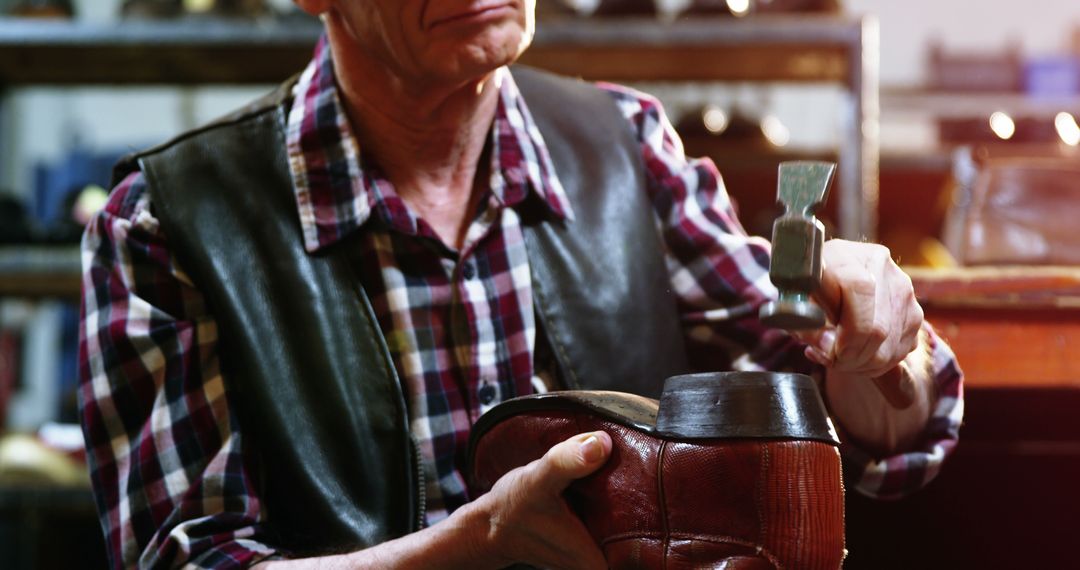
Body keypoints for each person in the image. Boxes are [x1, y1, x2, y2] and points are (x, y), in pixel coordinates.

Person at [78, 1, 964, 568]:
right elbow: (186, 562)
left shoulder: (625, 146)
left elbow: (880, 430)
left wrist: (882, 353)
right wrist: (472, 547)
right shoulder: (166, 222)